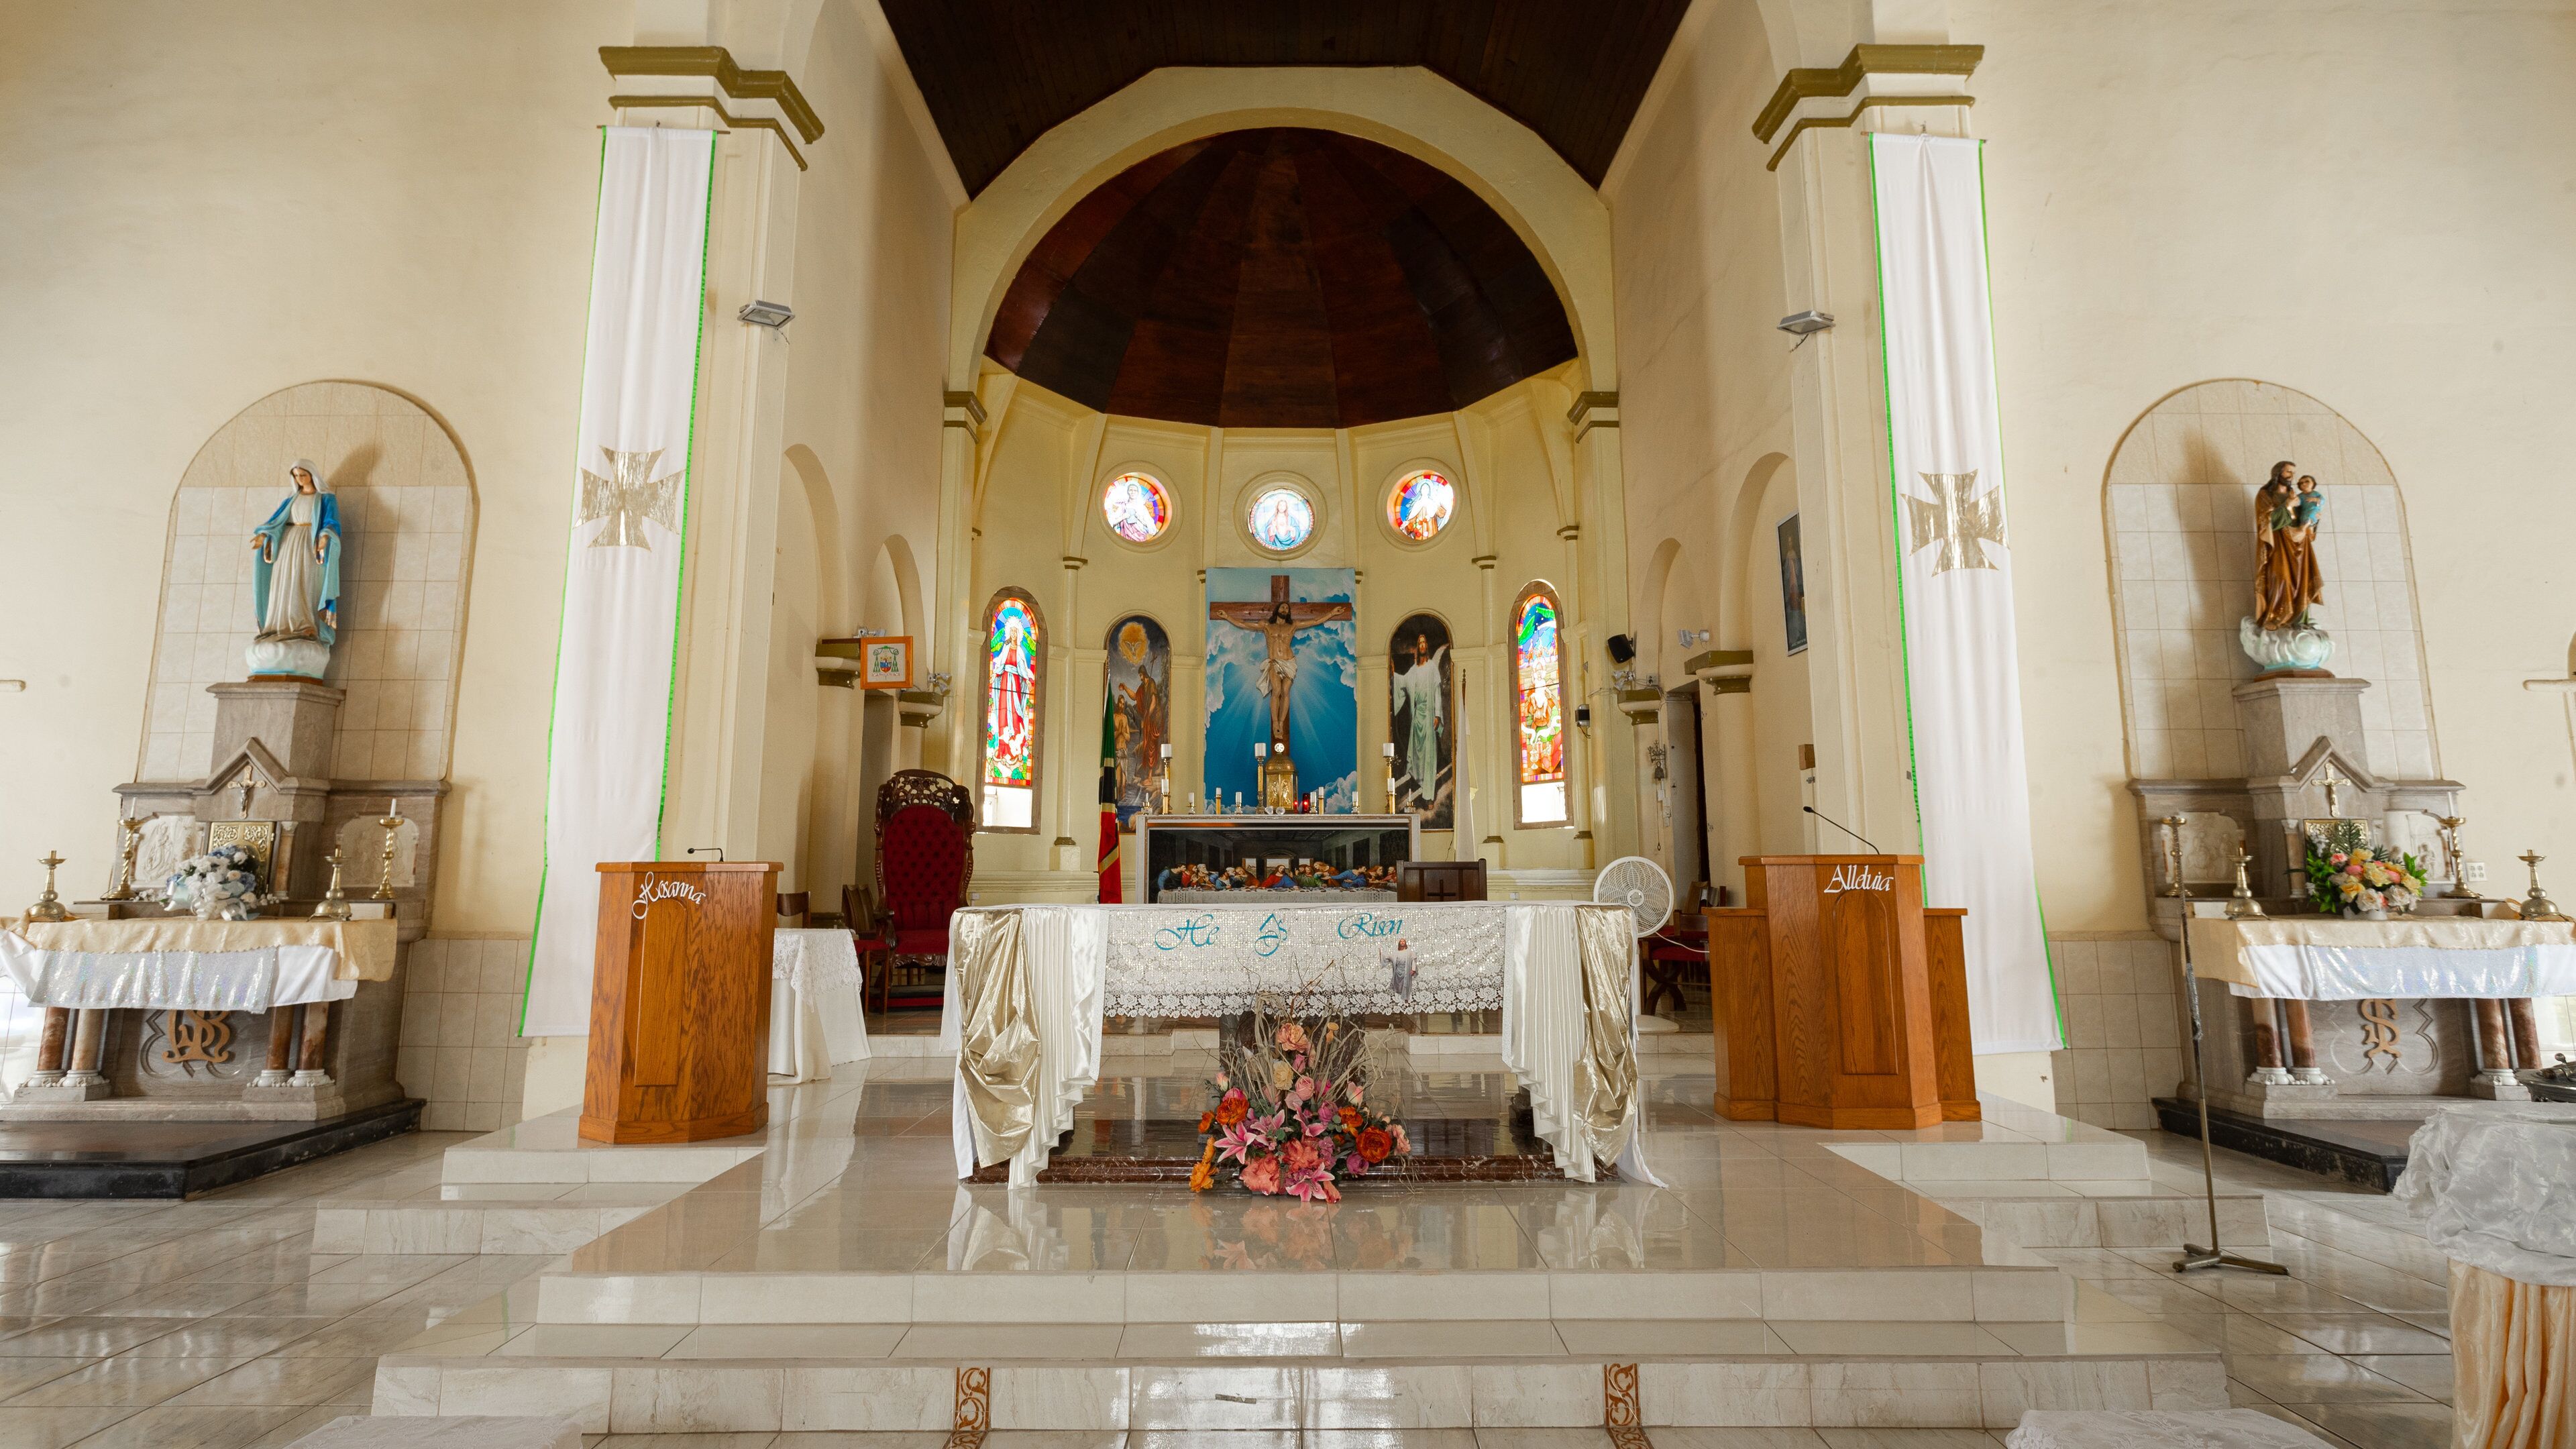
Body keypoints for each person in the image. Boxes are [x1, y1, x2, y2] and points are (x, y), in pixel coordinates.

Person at [2252, 461, 2325, 631]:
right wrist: (2287, 506)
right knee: (2281, 578)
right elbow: (2266, 520)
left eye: (2293, 472)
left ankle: (2299, 621)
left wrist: (2313, 523)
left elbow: (2307, 515)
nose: (2291, 476)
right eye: (2288, 472)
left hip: (2300, 543)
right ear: (2278, 473)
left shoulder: (2297, 495)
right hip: (2279, 543)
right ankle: (2275, 617)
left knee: (2302, 581)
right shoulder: (2265, 495)